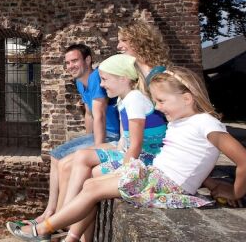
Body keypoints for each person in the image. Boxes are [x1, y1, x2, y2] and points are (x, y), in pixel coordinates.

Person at [7, 67, 246, 242]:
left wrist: (236, 191)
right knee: (92, 183)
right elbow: (190, 161)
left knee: (94, 190)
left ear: (187, 98)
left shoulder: (206, 124)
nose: (157, 107)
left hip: (167, 184)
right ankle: (69, 234)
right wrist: (213, 182)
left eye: (161, 101)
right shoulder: (181, 121)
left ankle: (43, 229)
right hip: (158, 176)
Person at [59, 54, 167, 212]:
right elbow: (126, 139)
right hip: (132, 153)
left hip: (147, 158)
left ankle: (64, 218)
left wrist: (123, 173)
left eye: (104, 79)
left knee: (92, 174)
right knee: (81, 158)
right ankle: (64, 216)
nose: (101, 85)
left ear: (123, 79)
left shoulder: (135, 99)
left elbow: (136, 145)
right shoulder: (123, 99)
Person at [29, 44, 120, 226]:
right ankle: (51, 211)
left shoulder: (96, 78)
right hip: (100, 133)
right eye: (68, 62)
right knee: (56, 156)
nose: (70, 66)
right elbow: (89, 114)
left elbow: (100, 115)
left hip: (112, 135)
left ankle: (55, 217)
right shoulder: (80, 81)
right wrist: (88, 139)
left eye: (74, 61)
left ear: (87, 60)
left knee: (62, 162)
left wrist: (97, 147)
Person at [117, 20, 171, 84]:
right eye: (119, 41)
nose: (118, 46)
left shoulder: (160, 74)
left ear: (140, 42)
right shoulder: (126, 73)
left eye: (124, 40)